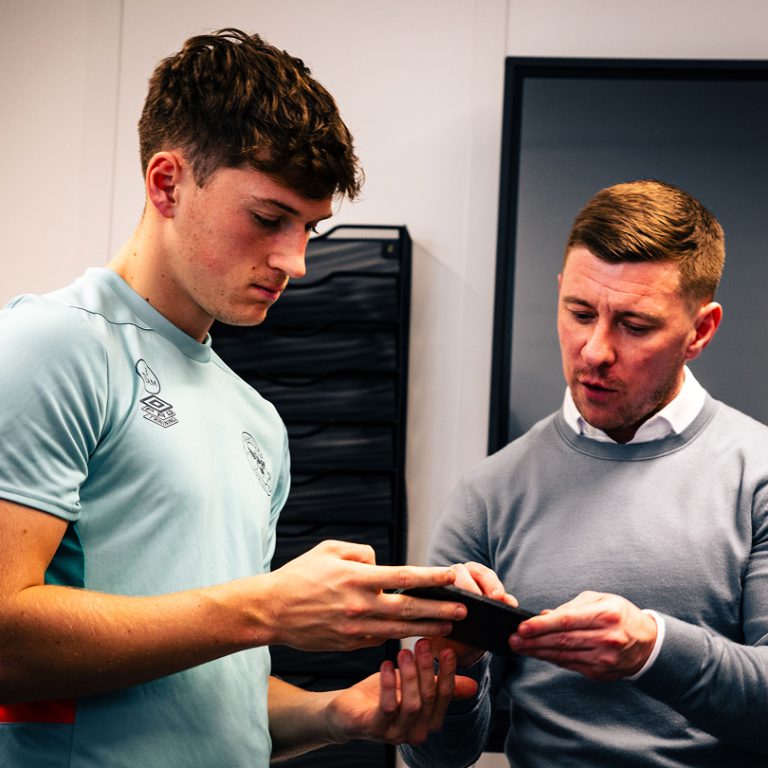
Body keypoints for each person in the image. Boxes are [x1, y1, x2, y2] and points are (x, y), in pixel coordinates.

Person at [0, 28, 487, 768]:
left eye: (309, 227)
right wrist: (270, 608)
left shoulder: (256, 420)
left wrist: (338, 712)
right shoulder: (53, 345)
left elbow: (211, 685)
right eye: (267, 219)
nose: (295, 260)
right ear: (167, 183)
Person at [400, 179, 768, 768]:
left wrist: (653, 648)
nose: (594, 350)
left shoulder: (760, 477)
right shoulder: (489, 492)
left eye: (634, 325)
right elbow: (434, 758)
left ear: (699, 331)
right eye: (579, 312)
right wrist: (457, 669)